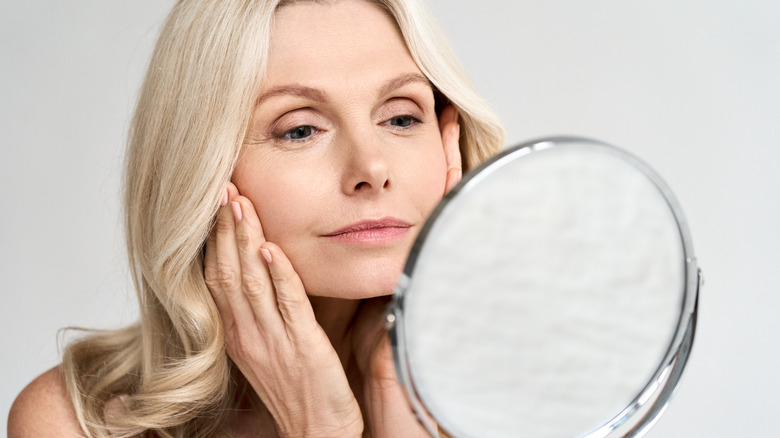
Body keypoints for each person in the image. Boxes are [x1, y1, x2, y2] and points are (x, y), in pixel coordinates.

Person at [8, 0, 504, 436]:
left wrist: (396, 397)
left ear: (447, 143)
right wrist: (319, 428)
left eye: (401, 117)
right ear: (201, 168)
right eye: (300, 129)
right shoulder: (81, 423)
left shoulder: (532, 397)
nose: (372, 169)